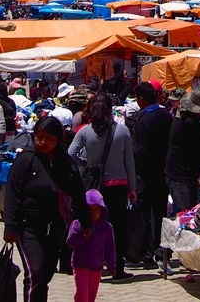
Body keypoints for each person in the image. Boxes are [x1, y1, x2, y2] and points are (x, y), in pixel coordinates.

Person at [4, 117, 92, 302]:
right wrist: (10, 227)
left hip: (56, 227)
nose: (43, 142)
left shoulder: (65, 162)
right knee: (35, 274)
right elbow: (12, 194)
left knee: (45, 274)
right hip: (28, 227)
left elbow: (78, 193)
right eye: (39, 137)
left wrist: (85, 222)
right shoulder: (27, 159)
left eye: (49, 138)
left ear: (58, 140)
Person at [68, 93, 136, 281]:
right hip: (118, 186)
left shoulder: (84, 132)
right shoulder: (122, 131)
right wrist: (132, 188)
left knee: (93, 225)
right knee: (117, 228)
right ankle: (118, 269)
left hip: (93, 189)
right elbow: (129, 161)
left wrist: (88, 164)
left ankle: (91, 265)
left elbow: (70, 155)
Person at [132, 81, 173, 269]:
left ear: (141, 99)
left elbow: (141, 151)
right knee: (161, 215)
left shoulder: (143, 120)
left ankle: (147, 253)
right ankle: (161, 251)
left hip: (146, 175)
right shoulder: (166, 115)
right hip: (163, 173)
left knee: (144, 215)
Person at [165, 88, 200, 214]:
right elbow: (196, 150)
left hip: (187, 172)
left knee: (189, 209)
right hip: (180, 174)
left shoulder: (191, 119)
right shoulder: (188, 122)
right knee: (185, 213)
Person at [67, 189, 117, 302]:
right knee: (82, 295)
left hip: (97, 267)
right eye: (89, 210)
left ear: (102, 210)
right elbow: (70, 242)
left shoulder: (107, 227)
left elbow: (110, 247)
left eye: (96, 209)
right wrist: (82, 237)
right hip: (80, 266)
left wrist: (111, 264)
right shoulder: (77, 224)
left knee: (91, 297)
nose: (93, 213)